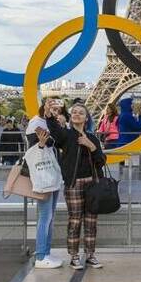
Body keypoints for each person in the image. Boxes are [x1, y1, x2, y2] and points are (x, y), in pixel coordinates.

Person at [45, 101, 108, 270]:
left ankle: (90, 254)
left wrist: (91, 146)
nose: (77, 114)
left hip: (92, 184)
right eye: (74, 112)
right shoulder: (65, 136)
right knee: (75, 221)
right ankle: (74, 256)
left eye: (81, 112)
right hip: (74, 183)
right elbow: (54, 130)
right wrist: (48, 113)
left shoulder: (93, 138)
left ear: (86, 118)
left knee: (91, 221)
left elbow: (101, 161)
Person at [25, 115, 64, 269]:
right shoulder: (37, 128)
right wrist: (42, 143)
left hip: (51, 178)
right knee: (45, 217)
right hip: (45, 179)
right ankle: (41, 255)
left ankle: (45, 253)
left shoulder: (48, 128)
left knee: (49, 217)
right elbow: (37, 148)